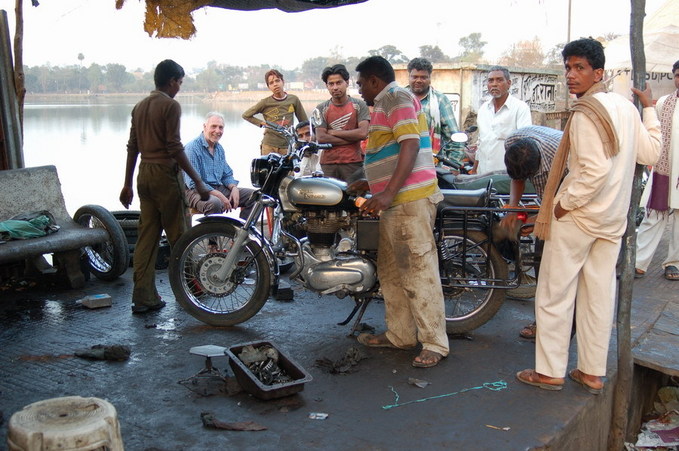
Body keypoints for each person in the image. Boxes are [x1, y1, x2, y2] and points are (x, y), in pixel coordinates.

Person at [516, 38, 661, 394]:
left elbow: (593, 173)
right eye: (568, 67)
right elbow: (651, 152)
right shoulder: (626, 108)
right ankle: (591, 371)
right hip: (612, 221)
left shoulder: (585, 113)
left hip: (579, 218)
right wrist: (651, 111)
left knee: (554, 294)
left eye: (579, 68)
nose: (571, 75)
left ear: (598, 72)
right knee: (598, 296)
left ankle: (550, 371)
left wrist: (562, 206)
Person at [350, 56, 449, 368]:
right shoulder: (386, 102)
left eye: (361, 82)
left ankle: (434, 343)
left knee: (419, 272)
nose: (359, 88)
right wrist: (372, 182)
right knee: (391, 272)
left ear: (375, 80)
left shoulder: (395, 98)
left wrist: (389, 191)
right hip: (394, 203)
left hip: (409, 201)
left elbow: (409, 145)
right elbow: (393, 150)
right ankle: (400, 335)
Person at [119, 59, 210, 314]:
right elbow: (174, 146)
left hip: (144, 174)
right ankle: (191, 291)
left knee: (146, 238)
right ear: (171, 81)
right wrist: (199, 182)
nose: (179, 88)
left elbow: (132, 147)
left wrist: (127, 184)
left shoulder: (139, 107)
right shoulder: (170, 106)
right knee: (179, 237)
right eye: (179, 83)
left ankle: (143, 297)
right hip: (165, 175)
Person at [499, 125, 564, 339]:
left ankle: (548, 326)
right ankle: (545, 321)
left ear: (535, 170)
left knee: (549, 266)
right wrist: (513, 208)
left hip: (568, 199)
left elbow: (557, 206)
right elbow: (517, 178)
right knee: (542, 263)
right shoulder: (514, 141)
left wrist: (537, 222)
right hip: (552, 196)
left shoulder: (560, 159)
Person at [635, 60, 679, 281]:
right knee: (654, 214)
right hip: (664, 168)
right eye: (678, 75)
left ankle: (674, 263)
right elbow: (656, 130)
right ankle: (638, 262)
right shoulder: (664, 103)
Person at [184, 112, 256, 219]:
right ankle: (214, 235)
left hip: (217, 188)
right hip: (194, 191)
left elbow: (226, 174)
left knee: (255, 197)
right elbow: (193, 183)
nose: (217, 131)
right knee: (215, 203)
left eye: (221, 127)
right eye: (213, 126)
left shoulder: (219, 149)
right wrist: (219, 195)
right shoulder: (192, 148)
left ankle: (241, 233)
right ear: (204, 126)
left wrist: (234, 188)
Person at [314, 64, 370, 182]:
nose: (335, 87)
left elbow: (363, 134)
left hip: (353, 163)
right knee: (330, 198)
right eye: (331, 84)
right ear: (327, 86)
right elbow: (321, 137)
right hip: (328, 164)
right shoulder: (321, 108)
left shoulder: (359, 105)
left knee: (355, 197)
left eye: (339, 83)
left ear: (347, 82)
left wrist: (333, 132)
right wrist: (352, 138)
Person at [474, 66, 532, 175]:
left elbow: (524, 144)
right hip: (482, 174)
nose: (494, 84)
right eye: (491, 80)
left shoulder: (520, 108)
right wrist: (474, 170)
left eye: (499, 80)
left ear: (509, 83)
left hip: (507, 175)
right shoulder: (483, 109)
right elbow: (481, 143)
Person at [406, 57, 463, 164]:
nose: (418, 80)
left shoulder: (440, 100)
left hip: (431, 164)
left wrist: (453, 165)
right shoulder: (399, 98)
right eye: (415, 77)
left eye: (423, 77)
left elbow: (454, 137)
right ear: (409, 77)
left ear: (430, 79)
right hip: (401, 162)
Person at [242, 69, 308, 155]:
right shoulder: (265, 102)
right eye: (271, 83)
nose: (275, 84)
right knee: (266, 168)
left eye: (277, 80)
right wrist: (262, 123)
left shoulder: (293, 99)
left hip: (287, 145)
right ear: (268, 87)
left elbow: (304, 121)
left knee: (289, 168)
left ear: (283, 82)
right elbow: (246, 115)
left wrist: (303, 139)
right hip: (269, 145)